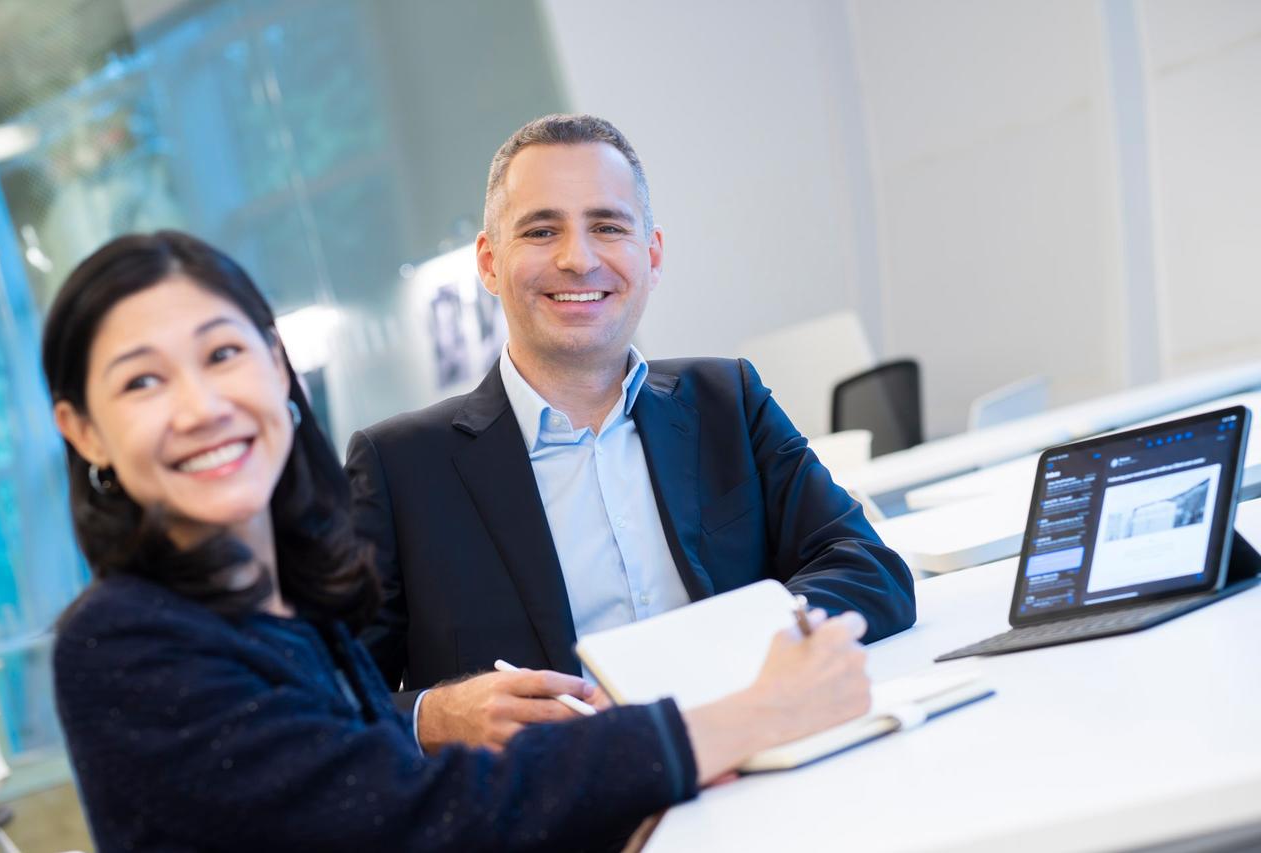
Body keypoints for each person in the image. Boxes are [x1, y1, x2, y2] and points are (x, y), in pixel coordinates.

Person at [45, 230, 874, 852]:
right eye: (143, 381)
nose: (199, 407)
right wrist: (743, 718)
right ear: (83, 430)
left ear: (276, 368)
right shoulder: (120, 641)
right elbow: (400, 809)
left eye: (222, 354)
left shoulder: (292, 599)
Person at [346, 114, 916, 754]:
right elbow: (328, 703)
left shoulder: (728, 401)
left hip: (764, 762)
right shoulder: (401, 467)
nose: (577, 258)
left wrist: (742, 656)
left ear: (651, 255)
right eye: (540, 230)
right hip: (564, 813)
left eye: (608, 227)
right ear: (489, 262)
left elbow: (869, 571)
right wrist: (437, 715)